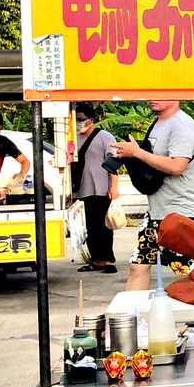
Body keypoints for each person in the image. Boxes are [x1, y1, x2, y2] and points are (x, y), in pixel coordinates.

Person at [111, 100, 194, 291]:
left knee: (193, 274)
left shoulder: (182, 124)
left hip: (181, 213)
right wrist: (129, 154)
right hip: (156, 212)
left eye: (158, 91)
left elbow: (177, 166)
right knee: (138, 265)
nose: (152, 97)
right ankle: (134, 317)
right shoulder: (158, 123)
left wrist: (137, 153)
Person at [72, 105, 119, 273]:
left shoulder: (105, 137)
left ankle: (107, 259)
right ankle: (96, 259)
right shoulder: (74, 138)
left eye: (81, 119)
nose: (78, 123)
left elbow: (113, 162)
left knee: (103, 226)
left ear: (91, 119)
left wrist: (114, 187)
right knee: (91, 226)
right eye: (76, 119)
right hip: (84, 189)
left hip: (102, 188)